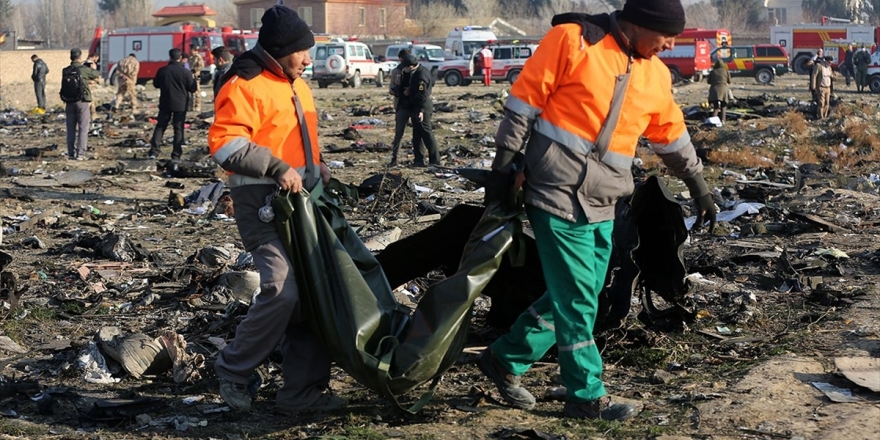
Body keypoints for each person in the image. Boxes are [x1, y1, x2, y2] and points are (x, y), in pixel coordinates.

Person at [479, 0, 716, 421]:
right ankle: (585, 394)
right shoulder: (574, 40)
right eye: (666, 35)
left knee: (582, 293)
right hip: (554, 189)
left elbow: (671, 135)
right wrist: (503, 165)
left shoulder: (656, 75)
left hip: (605, 198)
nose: (670, 45)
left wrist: (699, 187)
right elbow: (524, 102)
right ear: (639, 24)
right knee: (577, 297)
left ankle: (505, 358)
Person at [208, 4, 344, 415]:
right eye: (303, 52)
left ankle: (301, 392)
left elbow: (296, 136)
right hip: (261, 204)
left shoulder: (294, 81)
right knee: (282, 291)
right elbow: (226, 144)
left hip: (303, 202)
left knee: (313, 293)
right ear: (281, 49)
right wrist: (277, 166)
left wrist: (315, 165)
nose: (309, 59)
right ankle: (233, 370)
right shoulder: (244, 81)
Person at [148, 49, 196, 160]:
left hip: (165, 102)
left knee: (160, 127)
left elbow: (156, 84)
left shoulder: (162, 70)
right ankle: (176, 154)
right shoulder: (186, 72)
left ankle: (154, 152)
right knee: (178, 129)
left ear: (170, 57)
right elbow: (193, 89)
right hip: (180, 104)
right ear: (180, 57)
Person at [399, 54, 441, 167]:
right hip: (416, 105)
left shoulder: (421, 75)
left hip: (422, 107)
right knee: (417, 135)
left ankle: (435, 160)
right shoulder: (419, 71)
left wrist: (421, 111)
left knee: (426, 133)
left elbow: (423, 94)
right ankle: (418, 160)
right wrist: (411, 89)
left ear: (411, 66)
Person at [62, 48, 100, 160]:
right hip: (82, 101)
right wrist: (93, 67)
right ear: (79, 57)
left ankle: (71, 153)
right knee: (83, 128)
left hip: (69, 101)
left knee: (70, 128)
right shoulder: (83, 69)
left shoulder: (65, 70)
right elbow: (96, 75)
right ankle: (81, 154)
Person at [388, 48, 420, 167]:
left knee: (417, 133)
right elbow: (392, 88)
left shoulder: (417, 70)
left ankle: (419, 159)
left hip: (414, 105)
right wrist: (394, 90)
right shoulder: (396, 71)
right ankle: (394, 159)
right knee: (399, 133)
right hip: (402, 105)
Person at [707, 59, 731, 123]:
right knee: (723, 106)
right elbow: (729, 81)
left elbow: (708, 81)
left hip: (714, 90)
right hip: (723, 90)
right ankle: (723, 120)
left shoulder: (713, 71)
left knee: (716, 107)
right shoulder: (726, 71)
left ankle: (713, 120)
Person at [84, 53, 101, 119]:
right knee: (89, 101)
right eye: (97, 58)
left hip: (84, 84)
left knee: (90, 101)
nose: (97, 60)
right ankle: (92, 115)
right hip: (89, 84)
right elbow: (94, 75)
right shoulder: (92, 64)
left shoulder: (83, 63)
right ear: (94, 57)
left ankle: (93, 115)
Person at [188, 47, 205, 112]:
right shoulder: (191, 58)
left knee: (197, 92)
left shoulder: (198, 57)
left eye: (191, 50)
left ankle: (197, 106)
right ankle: (191, 106)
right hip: (190, 75)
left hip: (196, 76)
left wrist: (195, 71)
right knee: (191, 92)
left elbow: (201, 66)